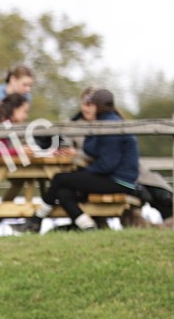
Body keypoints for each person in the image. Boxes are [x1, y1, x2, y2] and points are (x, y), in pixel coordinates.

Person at [34, 88, 139, 231]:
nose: (88, 109)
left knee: (59, 179)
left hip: (118, 181)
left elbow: (107, 164)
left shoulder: (109, 126)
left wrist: (84, 171)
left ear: (97, 107)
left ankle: (36, 219)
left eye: (91, 105)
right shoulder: (106, 122)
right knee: (62, 191)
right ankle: (88, 227)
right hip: (115, 178)